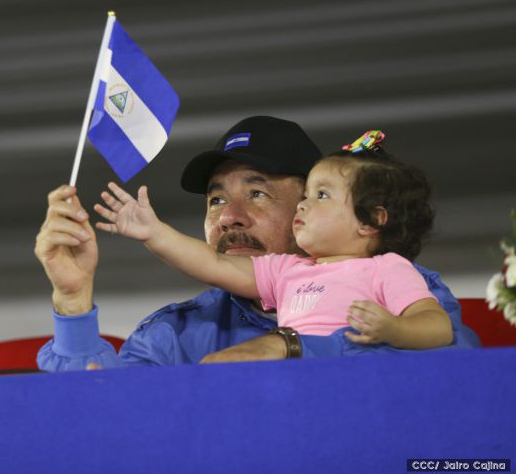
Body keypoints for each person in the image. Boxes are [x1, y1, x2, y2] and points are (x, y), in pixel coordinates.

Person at [35, 116, 479, 370]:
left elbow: (456, 373)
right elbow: (96, 422)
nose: (229, 217)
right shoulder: (175, 334)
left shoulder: (400, 283)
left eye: (258, 193)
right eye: (216, 199)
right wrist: (73, 299)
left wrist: (290, 346)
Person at [94, 130, 453, 351]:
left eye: (321, 195)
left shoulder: (390, 269)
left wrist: (394, 330)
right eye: (216, 199)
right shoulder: (287, 272)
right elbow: (213, 264)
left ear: (372, 220)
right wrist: (154, 233)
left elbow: (439, 331)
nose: (305, 205)